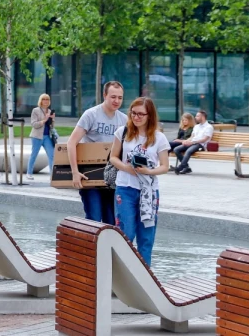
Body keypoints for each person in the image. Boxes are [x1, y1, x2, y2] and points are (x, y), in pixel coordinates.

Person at [109, 98, 171, 267]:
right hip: (125, 188)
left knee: (146, 237)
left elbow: (165, 166)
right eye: (133, 113)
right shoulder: (122, 132)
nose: (136, 117)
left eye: (140, 114)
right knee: (125, 233)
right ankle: (119, 277)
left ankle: (144, 280)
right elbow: (113, 157)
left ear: (149, 115)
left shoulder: (159, 138)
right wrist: (126, 167)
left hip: (148, 192)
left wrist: (149, 171)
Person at [68, 81, 127, 225]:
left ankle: (106, 248)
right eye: (113, 97)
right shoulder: (91, 115)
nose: (116, 101)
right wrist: (75, 172)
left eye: (120, 97)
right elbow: (71, 143)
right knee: (94, 217)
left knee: (111, 221)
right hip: (90, 175)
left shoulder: (124, 120)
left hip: (112, 178)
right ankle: (90, 247)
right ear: (104, 95)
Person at [172, 109, 213, 175]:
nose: (195, 117)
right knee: (176, 149)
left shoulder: (209, 127)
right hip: (192, 143)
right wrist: (186, 141)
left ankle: (180, 167)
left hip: (200, 145)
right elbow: (192, 137)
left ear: (203, 117)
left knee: (188, 151)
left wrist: (192, 142)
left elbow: (204, 139)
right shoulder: (196, 126)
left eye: (197, 116)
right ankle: (186, 167)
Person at [27, 94, 56, 181]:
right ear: (41, 100)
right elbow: (34, 124)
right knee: (34, 154)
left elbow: (51, 126)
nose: (46, 101)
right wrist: (45, 119)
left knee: (52, 155)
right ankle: (29, 173)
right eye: (44, 99)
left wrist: (52, 119)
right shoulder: (35, 110)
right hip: (37, 136)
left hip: (47, 136)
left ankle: (52, 174)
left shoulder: (50, 111)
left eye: (47, 99)